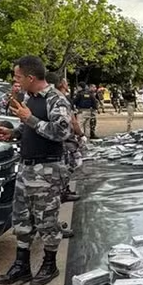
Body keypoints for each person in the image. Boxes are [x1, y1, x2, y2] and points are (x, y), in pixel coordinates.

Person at [0, 56, 72, 285]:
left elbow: (62, 132)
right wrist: (13, 133)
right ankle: (21, 265)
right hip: (26, 168)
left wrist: (30, 119)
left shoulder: (56, 99)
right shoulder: (30, 98)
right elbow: (29, 127)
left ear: (30, 77)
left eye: (18, 77)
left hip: (47, 170)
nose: (15, 81)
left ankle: (49, 264)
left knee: (47, 220)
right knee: (22, 218)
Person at [49, 73, 82, 204]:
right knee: (70, 165)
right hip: (66, 140)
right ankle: (63, 191)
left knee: (64, 166)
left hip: (63, 140)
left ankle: (64, 190)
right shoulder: (61, 99)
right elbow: (72, 121)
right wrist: (81, 135)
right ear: (62, 84)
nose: (68, 84)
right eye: (66, 82)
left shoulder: (52, 98)